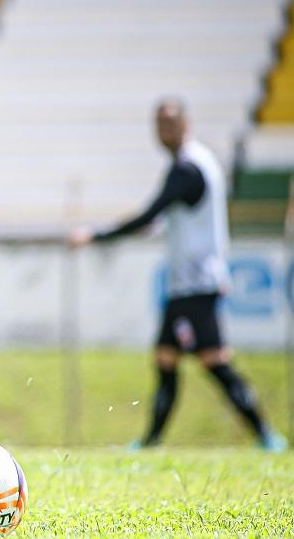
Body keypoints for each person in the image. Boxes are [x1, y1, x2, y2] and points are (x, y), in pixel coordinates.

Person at [70, 98, 287, 452]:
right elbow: (172, 215)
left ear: (186, 125)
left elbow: (151, 212)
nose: (164, 131)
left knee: (214, 361)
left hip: (197, 284)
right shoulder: (197, 163)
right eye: (159, 125)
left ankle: (267, 436)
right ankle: (150, 442)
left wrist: (95, 236)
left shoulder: (187, 168)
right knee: (165, 358)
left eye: (170, 123)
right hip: (185, 284)